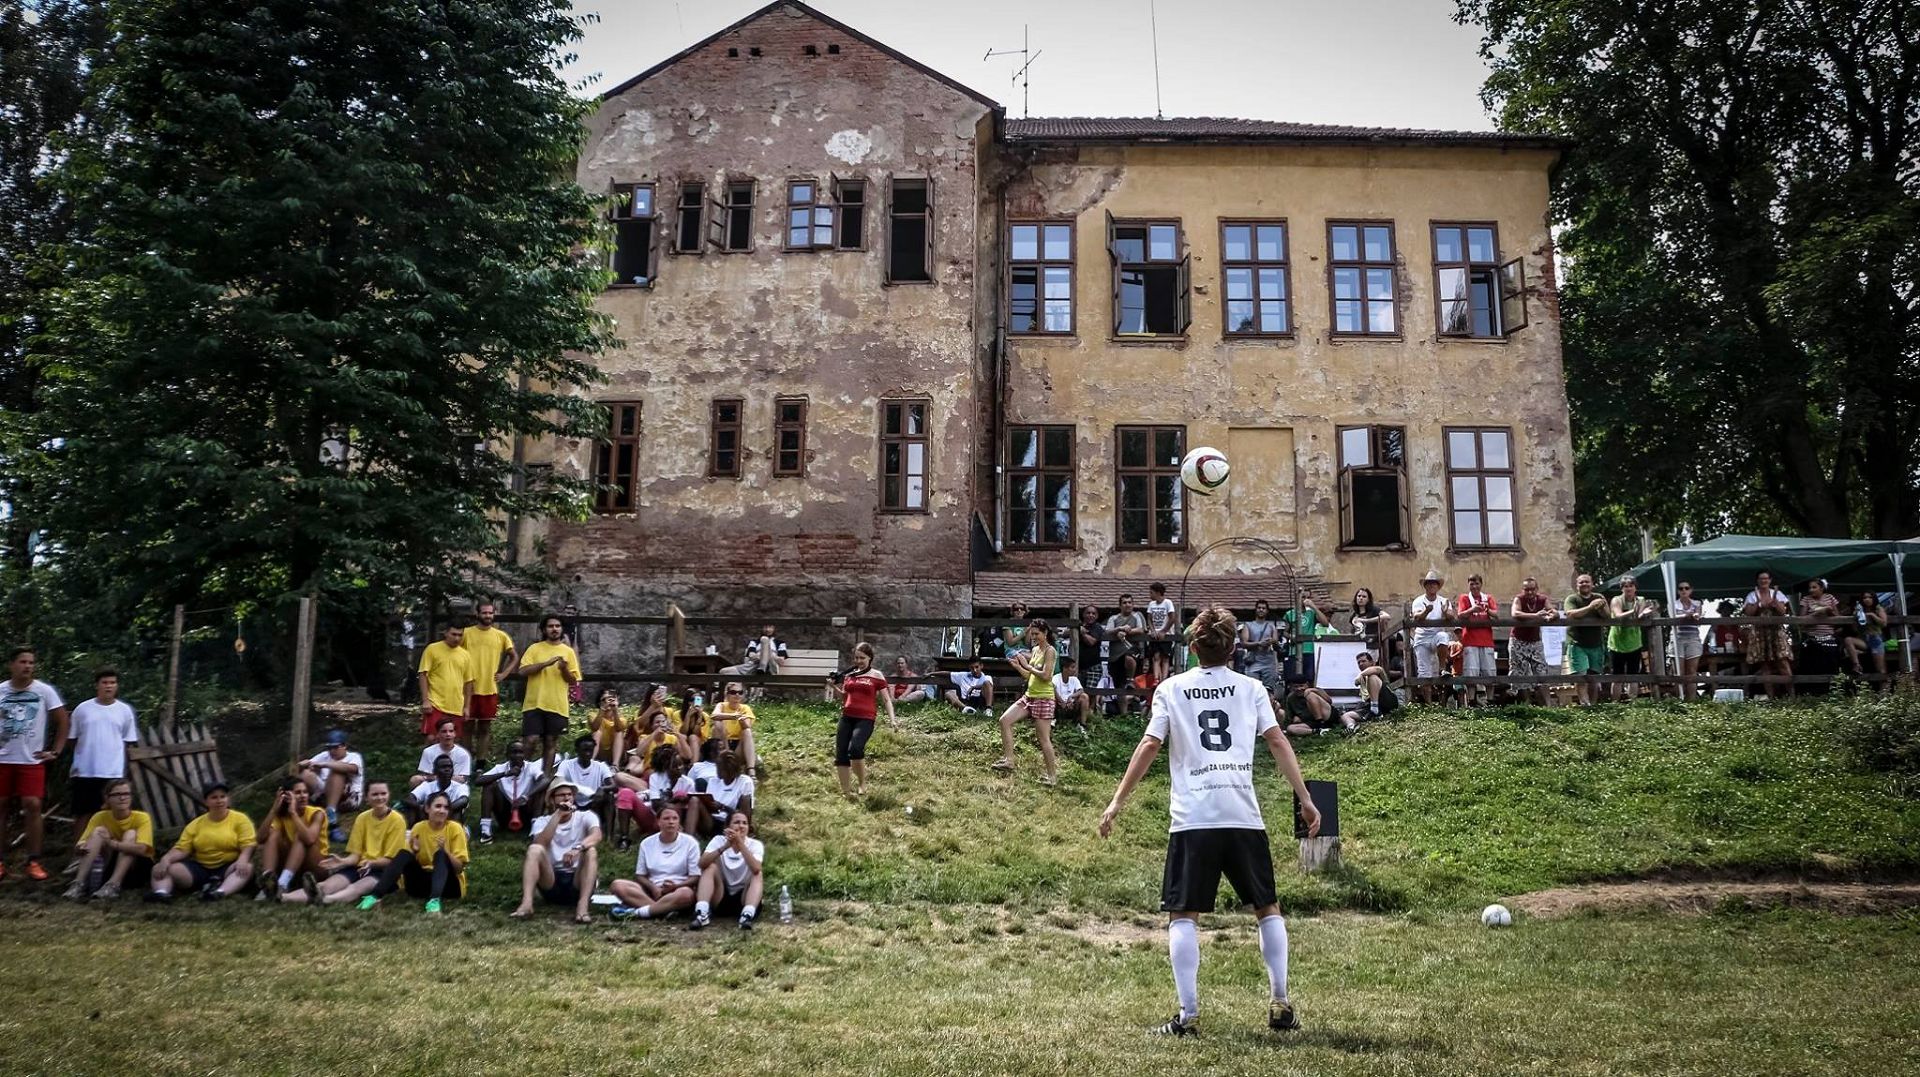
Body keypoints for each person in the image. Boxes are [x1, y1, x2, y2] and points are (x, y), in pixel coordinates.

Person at [1098, 605, 1322, 1037]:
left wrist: (1116, 802)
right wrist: (1306, 799)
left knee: (1183, 913)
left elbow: (1149, 745)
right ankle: (1280, 1001)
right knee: (1266, 906)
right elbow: (1277, 740)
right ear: (1233, 648)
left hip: (1193, 816)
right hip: (1241, 813)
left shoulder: (1171, 688)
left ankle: (1189, 1014)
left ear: (1193, 648)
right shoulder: (1252, 688)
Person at [0, 647, 69, 881]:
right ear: (12, 665)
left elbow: (63, 720)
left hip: (31, 760)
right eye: (23, 662)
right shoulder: (1, 690)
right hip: (3, 759)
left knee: (32, 805)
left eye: (31, 662)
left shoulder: (44, 691)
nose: (27, 666)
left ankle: (33, 861)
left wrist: (56, 751)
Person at [281, 780, 408, 906]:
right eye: (375, 794)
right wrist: (343, 861)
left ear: (389, 795)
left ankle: (325, 900)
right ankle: (282, 897)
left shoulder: (397, 820)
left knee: (355, 888)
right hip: (359, 867)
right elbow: (355, 856)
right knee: (326, 886)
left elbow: (392, 860)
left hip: (385, 872)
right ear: (367, 797)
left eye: (383, 793)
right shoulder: (362, 818)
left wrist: (371, 863)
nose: (380, 798)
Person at [358, 790, 469, 913]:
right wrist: (414, 851)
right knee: (404, 853)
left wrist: (446, 852)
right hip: (421, 885)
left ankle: (434, 900)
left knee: (441, 854)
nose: (442, 811)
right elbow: (405, 860)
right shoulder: (418, 827)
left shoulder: (455, 828)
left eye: (446, 808)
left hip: (449, 888)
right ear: (427, 809)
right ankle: (375, 896)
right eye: (438, 806)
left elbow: (459, 868)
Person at [63, 667, 138, 849]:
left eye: (112, 682)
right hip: (85, 772)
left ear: (117, 686)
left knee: (111, 815)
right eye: (104, 682)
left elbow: (127, 742)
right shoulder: (83, 709)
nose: (108, 686)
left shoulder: (124, 711)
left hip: (112, 773)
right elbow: (72, 739)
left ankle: (106, 856)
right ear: (97, 685)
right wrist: (83, 756)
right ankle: (79, 854)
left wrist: (121, 771)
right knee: (83, 814)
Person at [147, 780, 255, 902]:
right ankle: (161, 893)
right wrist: (166, 859)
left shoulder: (240, 819)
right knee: (160, 867)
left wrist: (243, 859)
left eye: (222, 797)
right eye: (214, 797)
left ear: (228, 799)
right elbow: (182, 849)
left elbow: (248, 844)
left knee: (247, 867)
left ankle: (219, 893)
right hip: (200, 868)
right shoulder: (195, 824)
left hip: (228, 867)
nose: (219, 801)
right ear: (206, 801)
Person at [512, 781, 602, 924]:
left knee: (591, 851)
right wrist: (558, 815)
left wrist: (578, 848)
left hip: (578, 879)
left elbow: (596, 836)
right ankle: (527, 904)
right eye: (562, 795)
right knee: (534, 849)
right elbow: (540, 843)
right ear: (552, 800)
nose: (566, 798)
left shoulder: (586, 816)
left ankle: (583, 906)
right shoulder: (542, 821)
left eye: (570, 794)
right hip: (551, 879)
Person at [991, 619, 1061, 785]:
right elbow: (1029, 676)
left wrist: (1027, 666)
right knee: (1004, 720)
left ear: (1045, 633)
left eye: (1037, 634)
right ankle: (1009, 761)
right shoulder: (1035, 650)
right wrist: (1018, 667)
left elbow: (1046, 676)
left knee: (1043, 739)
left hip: (1044, 698)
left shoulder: (1050, 651)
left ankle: (1052, 777)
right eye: (1032, 634)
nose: (1033, 637)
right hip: (1029, 696)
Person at [827, 641, 896, 798]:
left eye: (862, 658)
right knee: (841, 754)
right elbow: (844, 697)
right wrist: (833, 687)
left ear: (870, 658)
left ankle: (862, 783)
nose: (858, 661)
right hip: (847, 717)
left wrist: (892, 719)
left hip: (865, 718)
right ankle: (846, 792)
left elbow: (886, 700)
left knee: (855, 749)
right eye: (856, 658)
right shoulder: (850, 675)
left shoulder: (876, 675)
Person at [609, 803, 701, 920]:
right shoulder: (646, 843)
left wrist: (676, 886)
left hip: (678, 890)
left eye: (675, 818)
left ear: (679, 822)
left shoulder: (690, 843)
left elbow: (695, 876)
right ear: (658, 822)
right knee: (617, 885)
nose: (671, 822)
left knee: (686, 894)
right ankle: (662, 911)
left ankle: (641, 912)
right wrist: (653, 888)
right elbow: (640, 875)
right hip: (653, 890)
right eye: (666, 819)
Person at [65, 777, 152, 901]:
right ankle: (78, 884)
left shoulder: (142, 817)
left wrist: (112, 843)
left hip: (136, 866)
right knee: (98, 831)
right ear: (107, 798)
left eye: (126, 794)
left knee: (131, 834)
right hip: (109, 862)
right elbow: (81, 843)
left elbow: (142, 849)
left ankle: (113, 886)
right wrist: (82, 847)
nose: (122, 798)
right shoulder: (100, 816)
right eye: (117, 794)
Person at [518, 614, 581, 773]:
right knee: (530, 740)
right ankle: (521, 774)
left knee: (550, 741)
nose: (554, 629)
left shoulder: (568, 652)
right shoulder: (534, 648)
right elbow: (523, 671)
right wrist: (545, 664)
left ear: (561, 629)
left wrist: (564, 669)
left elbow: (573, 680)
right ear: (544, 630)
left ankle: (545, 778)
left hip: (557, 705)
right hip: (534, 703)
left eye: (557, 626)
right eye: (551, 626)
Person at [255, 776, 329, 900]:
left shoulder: (317, 813)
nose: (303, 796)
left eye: (305, 792)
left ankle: (282, 884)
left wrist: (293, 813)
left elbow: (310, 839)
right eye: (298, 793)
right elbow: (260, 838)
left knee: (301, 835)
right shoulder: (281, 816)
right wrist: (274, 810)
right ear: (286, 797)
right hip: (293, 867)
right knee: (273, 834)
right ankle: (268, 884)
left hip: (317, 867)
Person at [462, 601, 519, 759]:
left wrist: (504, 674)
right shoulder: (466, 633)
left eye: (490, 613)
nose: (487, 616)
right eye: (484, 612)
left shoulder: (501, 636)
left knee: (485, 728)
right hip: (467, 689)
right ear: (477, 614)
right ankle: (466, 761)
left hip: (489, 688)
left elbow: (514, 657)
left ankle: (481, 763)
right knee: (467, 728)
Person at [692, 809, 764, 931]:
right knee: (710, 867)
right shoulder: (718, 840)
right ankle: (702, 913)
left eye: (744, 823)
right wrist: (725, 846)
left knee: (758, 874)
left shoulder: (755, 844)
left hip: (743, 896)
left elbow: (756, 868)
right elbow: (702, 863)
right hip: (721, 894)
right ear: (727, 826)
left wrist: (740, 843)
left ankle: (747, 915)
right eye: (736, 822)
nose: (741, 826)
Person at [474, 740, 546, 844]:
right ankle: (486, 831)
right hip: (505, 813)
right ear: (507, 754)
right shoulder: (500, 768)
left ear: (524, 754)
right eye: (514, 752)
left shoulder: (531, 767)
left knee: (541, 787)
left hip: (526, 811)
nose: (517, 755)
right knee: (489, 785)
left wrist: (526, 796)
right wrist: (505, 774)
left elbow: (545, 780)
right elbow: (478, 781)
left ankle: (535, 829)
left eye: (520, 752)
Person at [299, 729, 364, 842]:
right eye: (329, 748)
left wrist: (325, 765)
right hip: (324, 796)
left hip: (348, 799)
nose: (332, 751)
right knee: (306, 774)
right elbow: (310, 764)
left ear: (344, 746)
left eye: (335, 747)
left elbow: (352, 768)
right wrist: (303, 765)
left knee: (337, 772)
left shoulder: (354, 756)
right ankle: (306, 808)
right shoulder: (324, 755)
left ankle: (332, 820)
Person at [416, 622, 474, 741]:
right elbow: (423, 674)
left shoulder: (465, 655)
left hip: (456, 705)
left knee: (453, 740)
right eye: (454, 634)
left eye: (460, 635)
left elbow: (468, 682)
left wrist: (467, 707)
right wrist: (425, 700)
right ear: (446, 633)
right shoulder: (432, 649)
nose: (457, 638)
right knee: (432, 738)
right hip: (435, 703)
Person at [1743, 570, 1795, 698]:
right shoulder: (1752, 595)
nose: (1763, 581)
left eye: (1766, 578)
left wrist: (1775, 603)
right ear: (1757, 581)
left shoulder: (1778, 594)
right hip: (1759, 633)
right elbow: (1748, 613)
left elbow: (1783, 612)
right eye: (1761, 579)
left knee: (1783, 662)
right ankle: (1771, 697)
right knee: (1765, 665)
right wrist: (1758, 603)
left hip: (1776, 631)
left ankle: (1792, 696)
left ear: (1770, 580)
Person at [1562, 574, 1611, 705]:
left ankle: (1593, 706)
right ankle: (1585, 705)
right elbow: (1571, 614)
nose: (1584, 584)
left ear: (1592, 584)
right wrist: (1590, 607)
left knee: (1594, 677)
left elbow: (1608, 617)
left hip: (1596, 643)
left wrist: (1601, 608)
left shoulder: (1599, 597)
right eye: (1581, 582)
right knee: (1581, 676)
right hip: (1577, 643)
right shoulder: (1572, 599)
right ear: (1577, 585)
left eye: (1587, 582)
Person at [1507, 577, 1557, 705]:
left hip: (1535, 641)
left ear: (1537, 589)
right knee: (1520, 671)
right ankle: (1526, 704)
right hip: (1518, 640)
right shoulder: (1519, 599)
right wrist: (1535, 616)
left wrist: (1551, 616)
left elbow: (1553, 611)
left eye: (1532, 589)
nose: (1529, 592)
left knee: (1541, 671)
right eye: (1526, 589)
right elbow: (1515, 613)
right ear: (1523, 590)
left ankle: (1548, 705)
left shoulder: (1542, 599)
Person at [551, 734, 615, 831]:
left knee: (609, 795)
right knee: (558, 793)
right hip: (573, 803)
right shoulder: (566, 765)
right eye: (585, 750)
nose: (588, 754)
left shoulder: (601, 766)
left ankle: (609, 835)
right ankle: (557, 826)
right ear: (577, 750)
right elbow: (557, 781)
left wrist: (602, 788)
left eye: (590, 750)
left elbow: (613, 785)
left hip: (594, 803)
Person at [1607, 578, 1657, 700]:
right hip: (1617, 644)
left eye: (1631, 586)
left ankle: (1633, 703)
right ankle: (1615, 704)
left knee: (1633, 676)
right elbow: (1618, 616)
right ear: (1621, 588)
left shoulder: (1640, 600)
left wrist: (1645, 612)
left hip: (1634, 643)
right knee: (1617, 677)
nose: (1628, 588)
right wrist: (1632, 611)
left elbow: (1639, 616)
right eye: (1625, 586)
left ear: (1635, 588)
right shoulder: (1616, 600)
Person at [1408, 571, 1453, 705]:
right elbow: (1417, 617)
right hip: (1422, 638)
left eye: (1434, 584)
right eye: (1429, 584)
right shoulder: (1418, 601)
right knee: (1424, 673)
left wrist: (1445, 612)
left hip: (1436, 636)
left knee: (1443, 636)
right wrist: (1426, 611)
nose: (1432, 586)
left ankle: (1442, 668)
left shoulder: (1443, 601)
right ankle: (1429, 704)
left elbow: (1451, 616)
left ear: (1438, 586)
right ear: (1425, 586)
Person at [688, 748, 755, 839]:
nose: (716, 770)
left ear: (728, 770)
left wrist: (722, 807)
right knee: (694, 800)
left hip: (731, 820)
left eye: (719, 767)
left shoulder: (745, 782)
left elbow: (744, 813)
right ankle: (689, 838)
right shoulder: (713, 781)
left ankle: (742, 834)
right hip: (712, 820)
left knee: (746, 799)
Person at [1455, 576, 1499, 706]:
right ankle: (1472, 702)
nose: (1474, 586)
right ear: (1468, 585)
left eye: (1477, 583)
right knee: (1471, 672)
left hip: (1486, 640)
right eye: (1472, 584)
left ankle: (1490, 701)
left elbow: (1496, 614)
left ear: (1481, 584)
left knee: (1490, 672)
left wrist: (1487, 610)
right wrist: (1472, 610)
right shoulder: (1464, 598)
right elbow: (1460, 615)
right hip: (1470, 640)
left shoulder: (1488, 598)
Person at [1104, 594, 1147, 713]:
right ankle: (1124, 715)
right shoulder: (1114, 618)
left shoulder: (1137, 616)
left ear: (1133, 604)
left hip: (1132, 652)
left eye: (1129, 602)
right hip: (1115, 656)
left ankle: (1130, 680)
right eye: (1124, 602)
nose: (1127, 605)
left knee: (1129, 658)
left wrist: (1128, 631)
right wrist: (1119, 629)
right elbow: (1107, 631)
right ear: (1120, 605)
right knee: (1119, 688)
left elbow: (1141, 629)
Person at [1798, 578, 1844, 683]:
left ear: (1822, 588)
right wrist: (1816, 614)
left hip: (1829, 636)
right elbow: (1801, 621)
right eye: (1810, 588)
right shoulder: (1806, 599)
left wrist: (1829, 611)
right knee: (1813, 664)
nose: (1811, 590)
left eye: (1814, 587)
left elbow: (1838, 619)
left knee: (1830, 663)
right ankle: (1813, 688)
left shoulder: (1830, 598)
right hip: (1812, 637)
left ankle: (1832, 686)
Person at [709, 682, 759, 774]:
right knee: (717, 724)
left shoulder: (745, 708)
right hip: (723, 742)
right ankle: (726, 757)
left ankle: (751, 770)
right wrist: (732, 716)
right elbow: (714, 716)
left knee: (747, 731)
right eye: (733, 692)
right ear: (727, 694)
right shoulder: (721, 705)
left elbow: (747, 726)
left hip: (738, 745)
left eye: (740, 692)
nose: (737, 695)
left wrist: (742, 721)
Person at [406, 754, 470, 825]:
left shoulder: (460, 786)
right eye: (443, 767)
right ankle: (412, 830)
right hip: (428, 821)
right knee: (411, 808)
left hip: (450, 822)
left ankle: (455, 831)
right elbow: (409, 798)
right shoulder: (427, 786)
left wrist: (442, 810)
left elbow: (464, 800)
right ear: (435, 771)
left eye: (450, 767)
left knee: (457, 811)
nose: (447, 769)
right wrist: (426, 809)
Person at [1341, 651, 1401, 726]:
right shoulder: (1362, 679)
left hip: (1386, 701)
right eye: (1359, 662)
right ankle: (1351, 727)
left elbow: (1375, 670)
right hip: (1369, 706)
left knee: (1372, 677)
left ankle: (1375, 709)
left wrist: (1360, 675)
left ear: (1372, 662)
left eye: (1363, 661)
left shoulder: (1378, 669)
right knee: (1345, 716)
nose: (1361, 664)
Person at [1669, 581, 1706, 701]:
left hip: (1693, 638)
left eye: (1686, 588)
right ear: (1678, 591)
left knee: (1692, 672)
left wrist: (1694, 616)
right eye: (1681, 588)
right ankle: (1679, 701)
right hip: (1677, 638)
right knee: (1679, 672)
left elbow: (1698, 614)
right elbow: (1672, 616)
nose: (1684, 590)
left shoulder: (1697, 603)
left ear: (1691, 590)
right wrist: (1686, 616)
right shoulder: (1673, 604)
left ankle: (1691, 701)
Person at [412, 719, 473, 789]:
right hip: (432, 785)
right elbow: (426, 775)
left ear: (455, 734)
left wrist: (435, 778)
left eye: (451, 731)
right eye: (444, 731)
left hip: (455, 787)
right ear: (438, 734)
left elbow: (461, 779)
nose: (448, 734)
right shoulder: (428, 751)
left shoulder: (463, 754)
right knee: (415, 779)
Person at [1845, 591, 1889, 686]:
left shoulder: (1878, 608)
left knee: (1881, 670)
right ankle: (1856, 665)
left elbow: (1884, 623)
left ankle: (1885, 692)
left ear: (1873, 599)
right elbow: (1854, 629)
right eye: (1865, 598)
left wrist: (1872, 615)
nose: (1867, 599)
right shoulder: (1860, 610)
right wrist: (1856, 617)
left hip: (1876, 639)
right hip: (1863, 639)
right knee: (1848, 640)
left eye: (1870, 597)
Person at [1239, 601, 1282, 696]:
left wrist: (1270, 641)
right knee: (1253, 690)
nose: (1261, 610)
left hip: (1268, 662)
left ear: (1267, 611)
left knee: (1269, 691)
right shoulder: (1248, 625)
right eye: (1259, 608)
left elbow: (1276, 641)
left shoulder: (1271, 626)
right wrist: (1258, 643)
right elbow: (1244, 643)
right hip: (1253, 661)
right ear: (1256, 610)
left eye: (1263, 608)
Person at [1280, 681, 1353, 736]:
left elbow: (1329, 701)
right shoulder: (1291, 698)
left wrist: (1314, 691)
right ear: (1292, 687)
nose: (1299, 689)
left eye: (1301, 686)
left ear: (1307, 685)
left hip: (1326, 716)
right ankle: (1319, 731)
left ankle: (1320, 723)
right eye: (1296, 686)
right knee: (1290, 728)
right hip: (1311, 722)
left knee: (1310, 696)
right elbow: (1289, 716)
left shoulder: (1315, 690)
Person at [1279, 597, 1325, 684]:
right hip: (1294, 651)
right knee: (1294, 679)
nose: (1304, 600)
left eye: (1306, 597)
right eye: (1302, 597)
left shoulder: (1311, 612)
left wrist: (1314, 607)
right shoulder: (1290, 613)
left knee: (1310, 678)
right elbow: (1284, 632)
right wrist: (1291, 637)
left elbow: (1325, 623)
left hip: (1309, 650)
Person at [1346, 588, 1392, 672]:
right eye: (1359, 596)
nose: (1361, 598)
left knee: (1369, 669)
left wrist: (1366, 620)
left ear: (1368, 599)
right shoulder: (1354, 615)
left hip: (1371, 645)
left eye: (1364, 596)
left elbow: (1387, 616)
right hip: (1357, 645)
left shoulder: (1374, 610)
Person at [720, 624, 788, 679]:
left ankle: (762, 668)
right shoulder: (754, 642)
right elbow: (751, 655)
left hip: (771, 668)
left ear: (774, 629)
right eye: (765, 627)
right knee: (723, 671)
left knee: (764, 639)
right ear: (762, 628)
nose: (767, 630)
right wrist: (761, 656)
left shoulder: (780, 643)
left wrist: (766, 655)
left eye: (770, 627)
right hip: (753, 667)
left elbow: (781, 661)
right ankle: (740, 689)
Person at [1144, 583, 1177, 685]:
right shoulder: (1151, 604)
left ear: (1158, 593)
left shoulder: (1168, 603)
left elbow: (1172, 618)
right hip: (1155, 634)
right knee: (1156, 656)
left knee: (1165, 657)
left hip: (1166, 634)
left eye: (1151, 592)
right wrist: (1153, 630)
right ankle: (1156, 678)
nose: (1150, 595)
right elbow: (1149, 619)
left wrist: (1164, 631)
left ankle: (1164, 679)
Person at [588, 689, 630, 766]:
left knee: (619, 732)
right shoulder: (593, 715)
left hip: (616, 753)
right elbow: (595, 727)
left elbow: (619, 728)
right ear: (599, 703)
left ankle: (615, 765)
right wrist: (602, 709)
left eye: (612, 699)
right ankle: (590, 762)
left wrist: (615, 711)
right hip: (600, 753)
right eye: (605, 699)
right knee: (597, 732)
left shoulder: (622, 717)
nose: (609, 702)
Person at [1053, 658, 1092, 733]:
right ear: (1065, 668)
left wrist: (1071, 696)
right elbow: (1053, 689)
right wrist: (1061, 701)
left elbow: (1081, 690)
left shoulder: (1074, 679)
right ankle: (1053, 720)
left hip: (1072, 705)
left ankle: (1082, 724)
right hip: (1058, 705)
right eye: (1072, 667)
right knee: (1050, 697)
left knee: (1084, 696)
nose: (1074, 670)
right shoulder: (1056, 678)